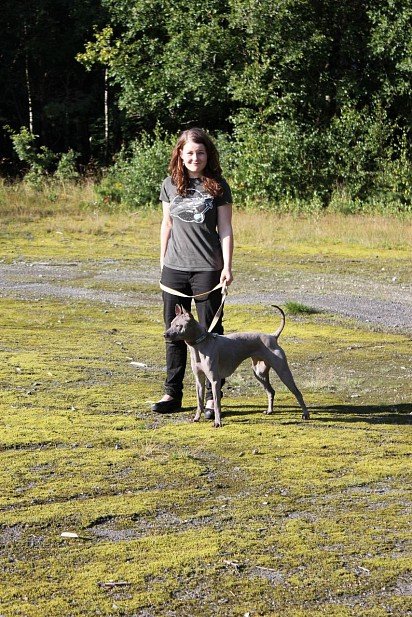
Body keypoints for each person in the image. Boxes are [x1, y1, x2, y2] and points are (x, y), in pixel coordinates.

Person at [151, 127, 234, 419]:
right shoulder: (169, 185)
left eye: (200, 152)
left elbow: (225, 229)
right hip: (174, 270)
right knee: (174, 333)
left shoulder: (218, 185)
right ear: (180, 155)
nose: (195, 158)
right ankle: (172, 393)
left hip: (208, 270)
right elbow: (167, 225)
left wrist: (227, 266)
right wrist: (162, 262)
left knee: (211, 333)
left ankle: (213, 397)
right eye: (189, 153)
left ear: (207, 154)